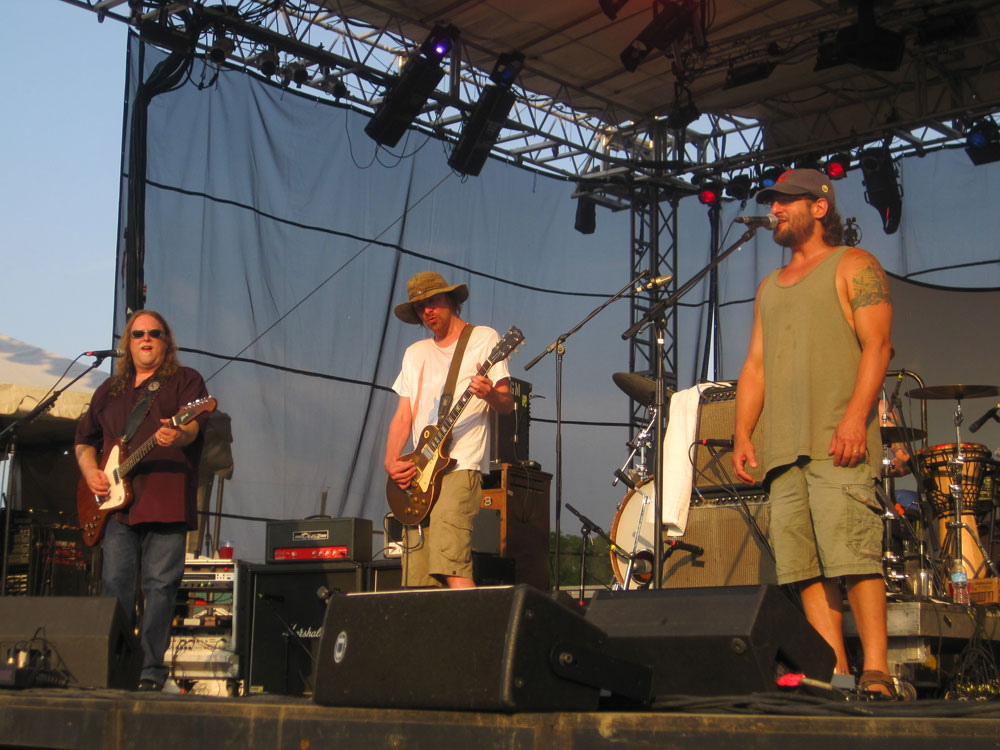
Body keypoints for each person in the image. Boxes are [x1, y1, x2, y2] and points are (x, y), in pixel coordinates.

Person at [732, 169, 895, 698]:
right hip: (783, 449)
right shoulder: (768, 288)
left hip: (837, 440)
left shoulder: (855, 265)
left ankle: (877, 671)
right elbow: (755, 367)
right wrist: (742, 433)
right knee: (805, 568)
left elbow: (878, 346)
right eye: (772, 203)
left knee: (854, 557)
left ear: (819, 207)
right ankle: (836, 675)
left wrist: (854, 418)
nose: (775, 211)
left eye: (785, 202)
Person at [75, 310, 209, 691]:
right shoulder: (109, 391)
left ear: (167, 341)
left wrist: (177, 435)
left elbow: (194, 425)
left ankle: (151, 672)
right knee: (114, 585)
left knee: (160, 587)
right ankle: (114, 668)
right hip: (117, 509)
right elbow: (84, 441)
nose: (146, 339)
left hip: (166, 501)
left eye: (154, 333)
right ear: (127, 343)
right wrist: (92, 473)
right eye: (138, 334)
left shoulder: (186, 381)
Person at [385, 271, 513, 589]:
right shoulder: (414, 354)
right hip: (420, 473)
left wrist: (489, 394)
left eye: (433, 301)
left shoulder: (483, 338)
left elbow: (507, 403)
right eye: (420, 307)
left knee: (451, 562)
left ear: (452, 300)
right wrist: (391, 462)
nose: (427, 311)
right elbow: (403, 416)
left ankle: (475, 623)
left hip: (460, 466)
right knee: (418, 578)